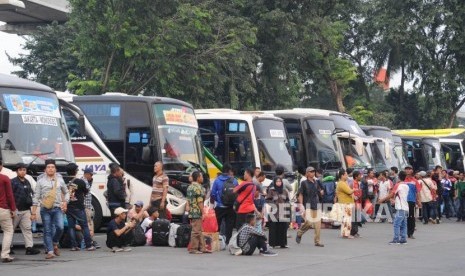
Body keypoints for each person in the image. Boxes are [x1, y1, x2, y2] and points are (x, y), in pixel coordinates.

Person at [31, 159, 69, 260]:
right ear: (45, 169)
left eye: (52, 167)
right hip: (45, 209)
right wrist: (33, 212)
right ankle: (50, 251)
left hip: (57, 209)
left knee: (60, 227)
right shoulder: (40, 181)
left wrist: (65, 202)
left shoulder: (60, 180)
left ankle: (55, 242)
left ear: (55, 169)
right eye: (48, 167)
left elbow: (66, 192)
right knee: (47, 230)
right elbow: (36, 197)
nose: (50, 169)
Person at [10, 163, 40, 255]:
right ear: (17, 171)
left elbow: (30, 195)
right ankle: (8, 248)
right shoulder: (12, 182)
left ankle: (29, 248)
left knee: (27, 229)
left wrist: (31, 212)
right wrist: (11, 209)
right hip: (15, 210)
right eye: (20, 170)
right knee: (11, 230)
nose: (23, 172)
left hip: (26, 210)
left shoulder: (27, 181)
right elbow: (10, 196)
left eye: (24, 170)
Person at [66, 163, 95, 251]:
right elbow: (86, 191)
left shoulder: (63, 180)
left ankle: (74, 246)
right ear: (75, 171)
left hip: (68, 206)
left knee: (71, 227)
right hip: (79, 206)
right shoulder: (79, 181)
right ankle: (89, 245)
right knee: (85, 226)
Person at [296, 166, 324, 247]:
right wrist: (301, 205)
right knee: (309, 222)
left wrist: (321, 192)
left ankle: (317, 241)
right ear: (307, 173)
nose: (313, 173)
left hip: (316, 204)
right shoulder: (304, 183)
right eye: (311, 171)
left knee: (318, 225)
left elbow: (319, 191)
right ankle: (300, 233)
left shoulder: (316, 182)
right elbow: (300, 194)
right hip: (308, 205)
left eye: (314, 171)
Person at [210, 163, 238, 244]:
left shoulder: (217, 180)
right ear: (229, 171)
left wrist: (219, 200)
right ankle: (228, 242)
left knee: (217, 224)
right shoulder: (234, 180)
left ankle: (217, 241)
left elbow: (213, 194)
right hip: (230, 207)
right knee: (229, 226)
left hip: (220, 207)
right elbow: (237, 193)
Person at [186, 171, 209, 254]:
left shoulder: (190, 187)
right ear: (198, 178)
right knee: (196, 231)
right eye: (201, 177)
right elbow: (200, 202)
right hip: (197, 211)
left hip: (192, 211)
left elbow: (188, 199)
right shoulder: (198, 188)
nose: (202, 178)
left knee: (199, 230)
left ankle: (203, 248)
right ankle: (193, 248)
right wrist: (203, 212)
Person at [266, 177, 290, 248]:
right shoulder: (271, 190)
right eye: (277, 181)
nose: (278, 183)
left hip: (283, 210)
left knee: (282, 227)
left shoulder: (284, 190)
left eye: (280, 181)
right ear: (274, 182)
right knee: (273, 227)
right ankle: (272, 244)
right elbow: (267, 200)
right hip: (274, 211)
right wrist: (273, 203)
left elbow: (287, 200)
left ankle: (283, 244)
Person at [0, 160, 16, 263]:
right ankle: (5, 254)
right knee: (8, 230)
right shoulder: (5, 178)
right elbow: (10, 195)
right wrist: (13, 209)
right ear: (1, 166)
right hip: (3, 208)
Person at [388, 171, 409, 245]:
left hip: (400, 207)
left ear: (399, 177)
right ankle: (403, 239)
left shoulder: (398, 185)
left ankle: (396, 239)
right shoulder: (406, 185)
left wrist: (382, 199)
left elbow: (391, 194)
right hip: (405, 207)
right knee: (403, 224)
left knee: (396, 224)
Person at [82, 167, 99, 248]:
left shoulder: (87, 181)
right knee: (88, 223)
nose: (92, 177)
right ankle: (89, 241)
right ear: (86, 174)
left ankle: (90, 240)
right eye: (91, 175)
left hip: (88, 206)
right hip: (85, 206)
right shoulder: (83, 182)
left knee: (90, 222)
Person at [336, 169, 355, 239]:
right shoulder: (342, 183)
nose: (347, 176)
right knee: (347, 219)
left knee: (346, 219)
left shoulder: (343, 182)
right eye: (346, 175)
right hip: (346, 203)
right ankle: (347, 234)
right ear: (342, 175)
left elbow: (348, 192)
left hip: (345, 202)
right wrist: (355, 189)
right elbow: (349, 191)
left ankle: (345, 233)